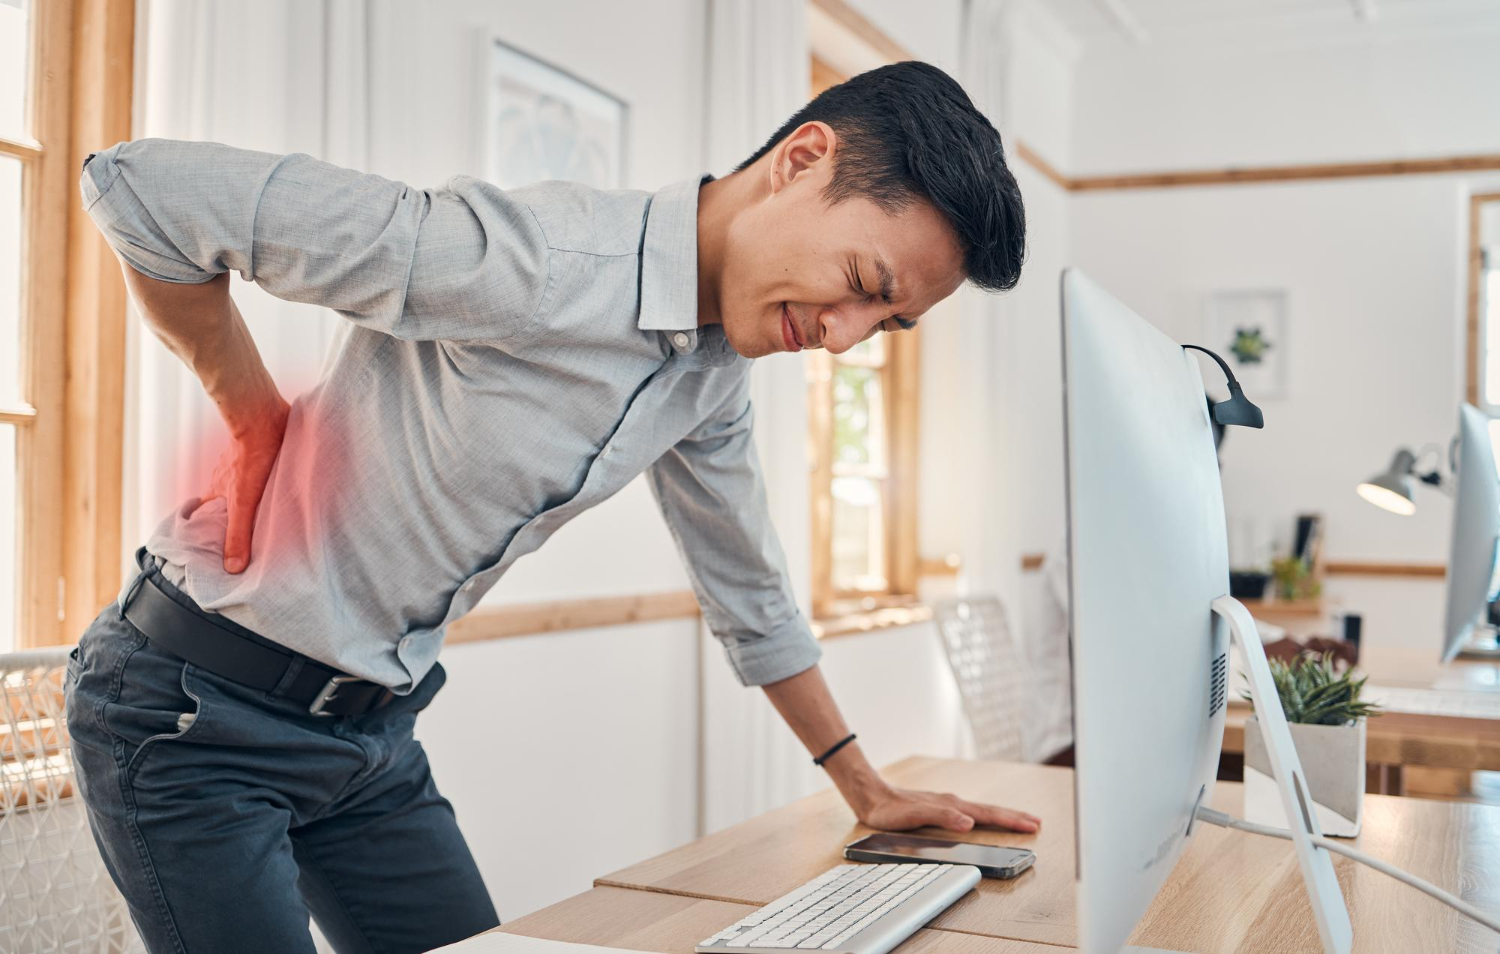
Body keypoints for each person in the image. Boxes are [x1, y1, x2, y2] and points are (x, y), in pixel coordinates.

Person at [65, 61, 1034, 954]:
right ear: (801, 159)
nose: (844, 339)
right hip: (193, 714)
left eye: (887, 323)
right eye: (863, 286)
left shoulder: (712, 376)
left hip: (368, 738)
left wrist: (866, 788)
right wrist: (251, 416)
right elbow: (145, 189)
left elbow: (752, 590)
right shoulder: (537, 263)